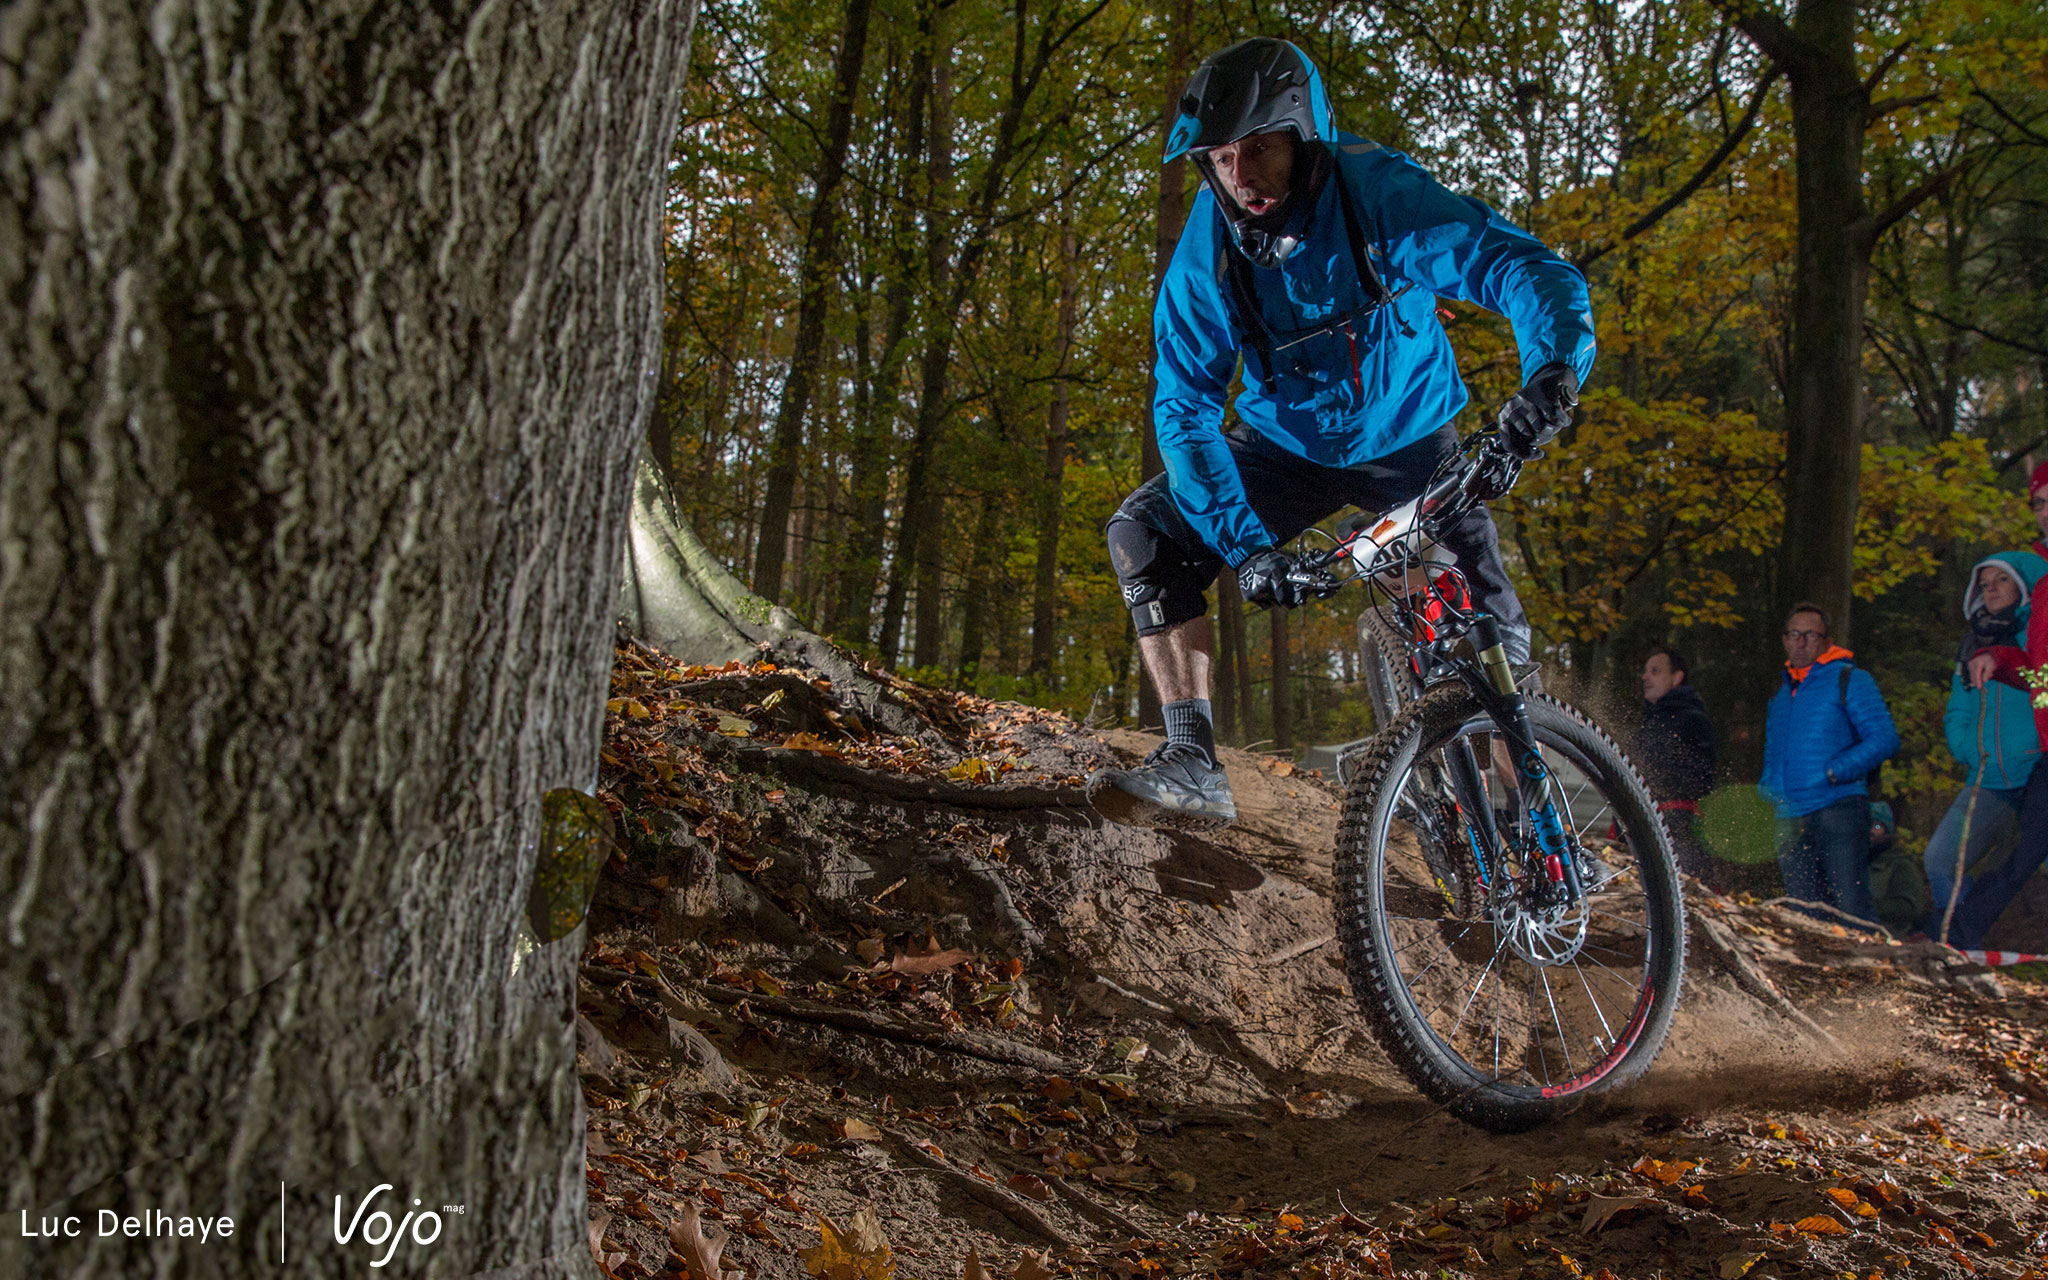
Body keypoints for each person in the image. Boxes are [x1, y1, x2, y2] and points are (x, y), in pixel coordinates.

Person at [1087, 38, 1594, 826]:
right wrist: (1246, 546)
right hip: (1287, 448)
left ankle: (1542, 821)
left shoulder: (1377, 192)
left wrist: (1552, 374)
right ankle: (1192, 757)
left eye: (1259, 150)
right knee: (1142, 535)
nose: (1242, 177)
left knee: (1493, 649)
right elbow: (1184, 405)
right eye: (1222, 158)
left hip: (1411, 440)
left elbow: (1520, 268)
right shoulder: (1207, 257)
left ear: (1304, 135)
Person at [1920, 553, 2046, 938]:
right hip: (1988, 777)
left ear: (2023, 586)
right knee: (1940, 859)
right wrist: (1967, 749)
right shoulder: (1971, 644)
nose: (1989, 589)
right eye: (1984, 583)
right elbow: (1957, 706)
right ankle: (1959, 945)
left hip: (2037, 771)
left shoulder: (2037, 637)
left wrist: (2033, 745)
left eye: (2000, 581)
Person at [1950, 462, 2048, 946]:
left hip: (2032, 762)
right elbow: (2042, 675)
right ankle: (1956, 937)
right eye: (2040, 503)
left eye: (2000, 582)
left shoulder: (2040, 595)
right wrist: (2001, 660)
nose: (2045, 513)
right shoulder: (2047, 590)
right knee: (2024, 853)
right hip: (2005, 768)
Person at [1758, 602, 1899, 928]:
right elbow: (1772, 750)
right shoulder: (1781, 693)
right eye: (1794, 634)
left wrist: (1837, 771)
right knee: (1804, 916)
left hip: (1839, 808)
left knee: (1852, 906)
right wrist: (1768, 786)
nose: (1801, 642)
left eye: (1810, 634)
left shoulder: (1850, 679)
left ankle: (1873, 973)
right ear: (1784, 640)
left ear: (1827, 640)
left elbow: (1885, 738)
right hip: (1789, 816)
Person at [1632, 647, 1716, 883]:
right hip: (1645, 821)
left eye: (1655, 671)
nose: (1645, 677)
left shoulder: (1692, 720)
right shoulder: (1650, 721)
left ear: (1677, 678)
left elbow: (1702, 780)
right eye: (1646, 671)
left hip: (1679, 829)